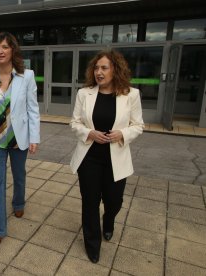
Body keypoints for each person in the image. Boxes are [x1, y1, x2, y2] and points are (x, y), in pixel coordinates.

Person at [70, 50, 144, 263]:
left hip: (116, 158)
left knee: (114, 201)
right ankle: (92, 244)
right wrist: (88, 133)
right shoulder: (84, 94)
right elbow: (75, 122)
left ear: (116, 70)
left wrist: (123, 134)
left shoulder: (131, 94)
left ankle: (109, 219)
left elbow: (138, 125)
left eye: (104, 68)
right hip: (89, 157)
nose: (99, 72)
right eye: (96, 68)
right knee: (90, 202)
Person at [0, 32, 40, 247]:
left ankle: (19, 201)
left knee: (19, 174)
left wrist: (35, 137)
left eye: (4, 47)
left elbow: (33, 109)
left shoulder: (27, 76)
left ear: (13, 50)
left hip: (18, 138)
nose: (0, 51)